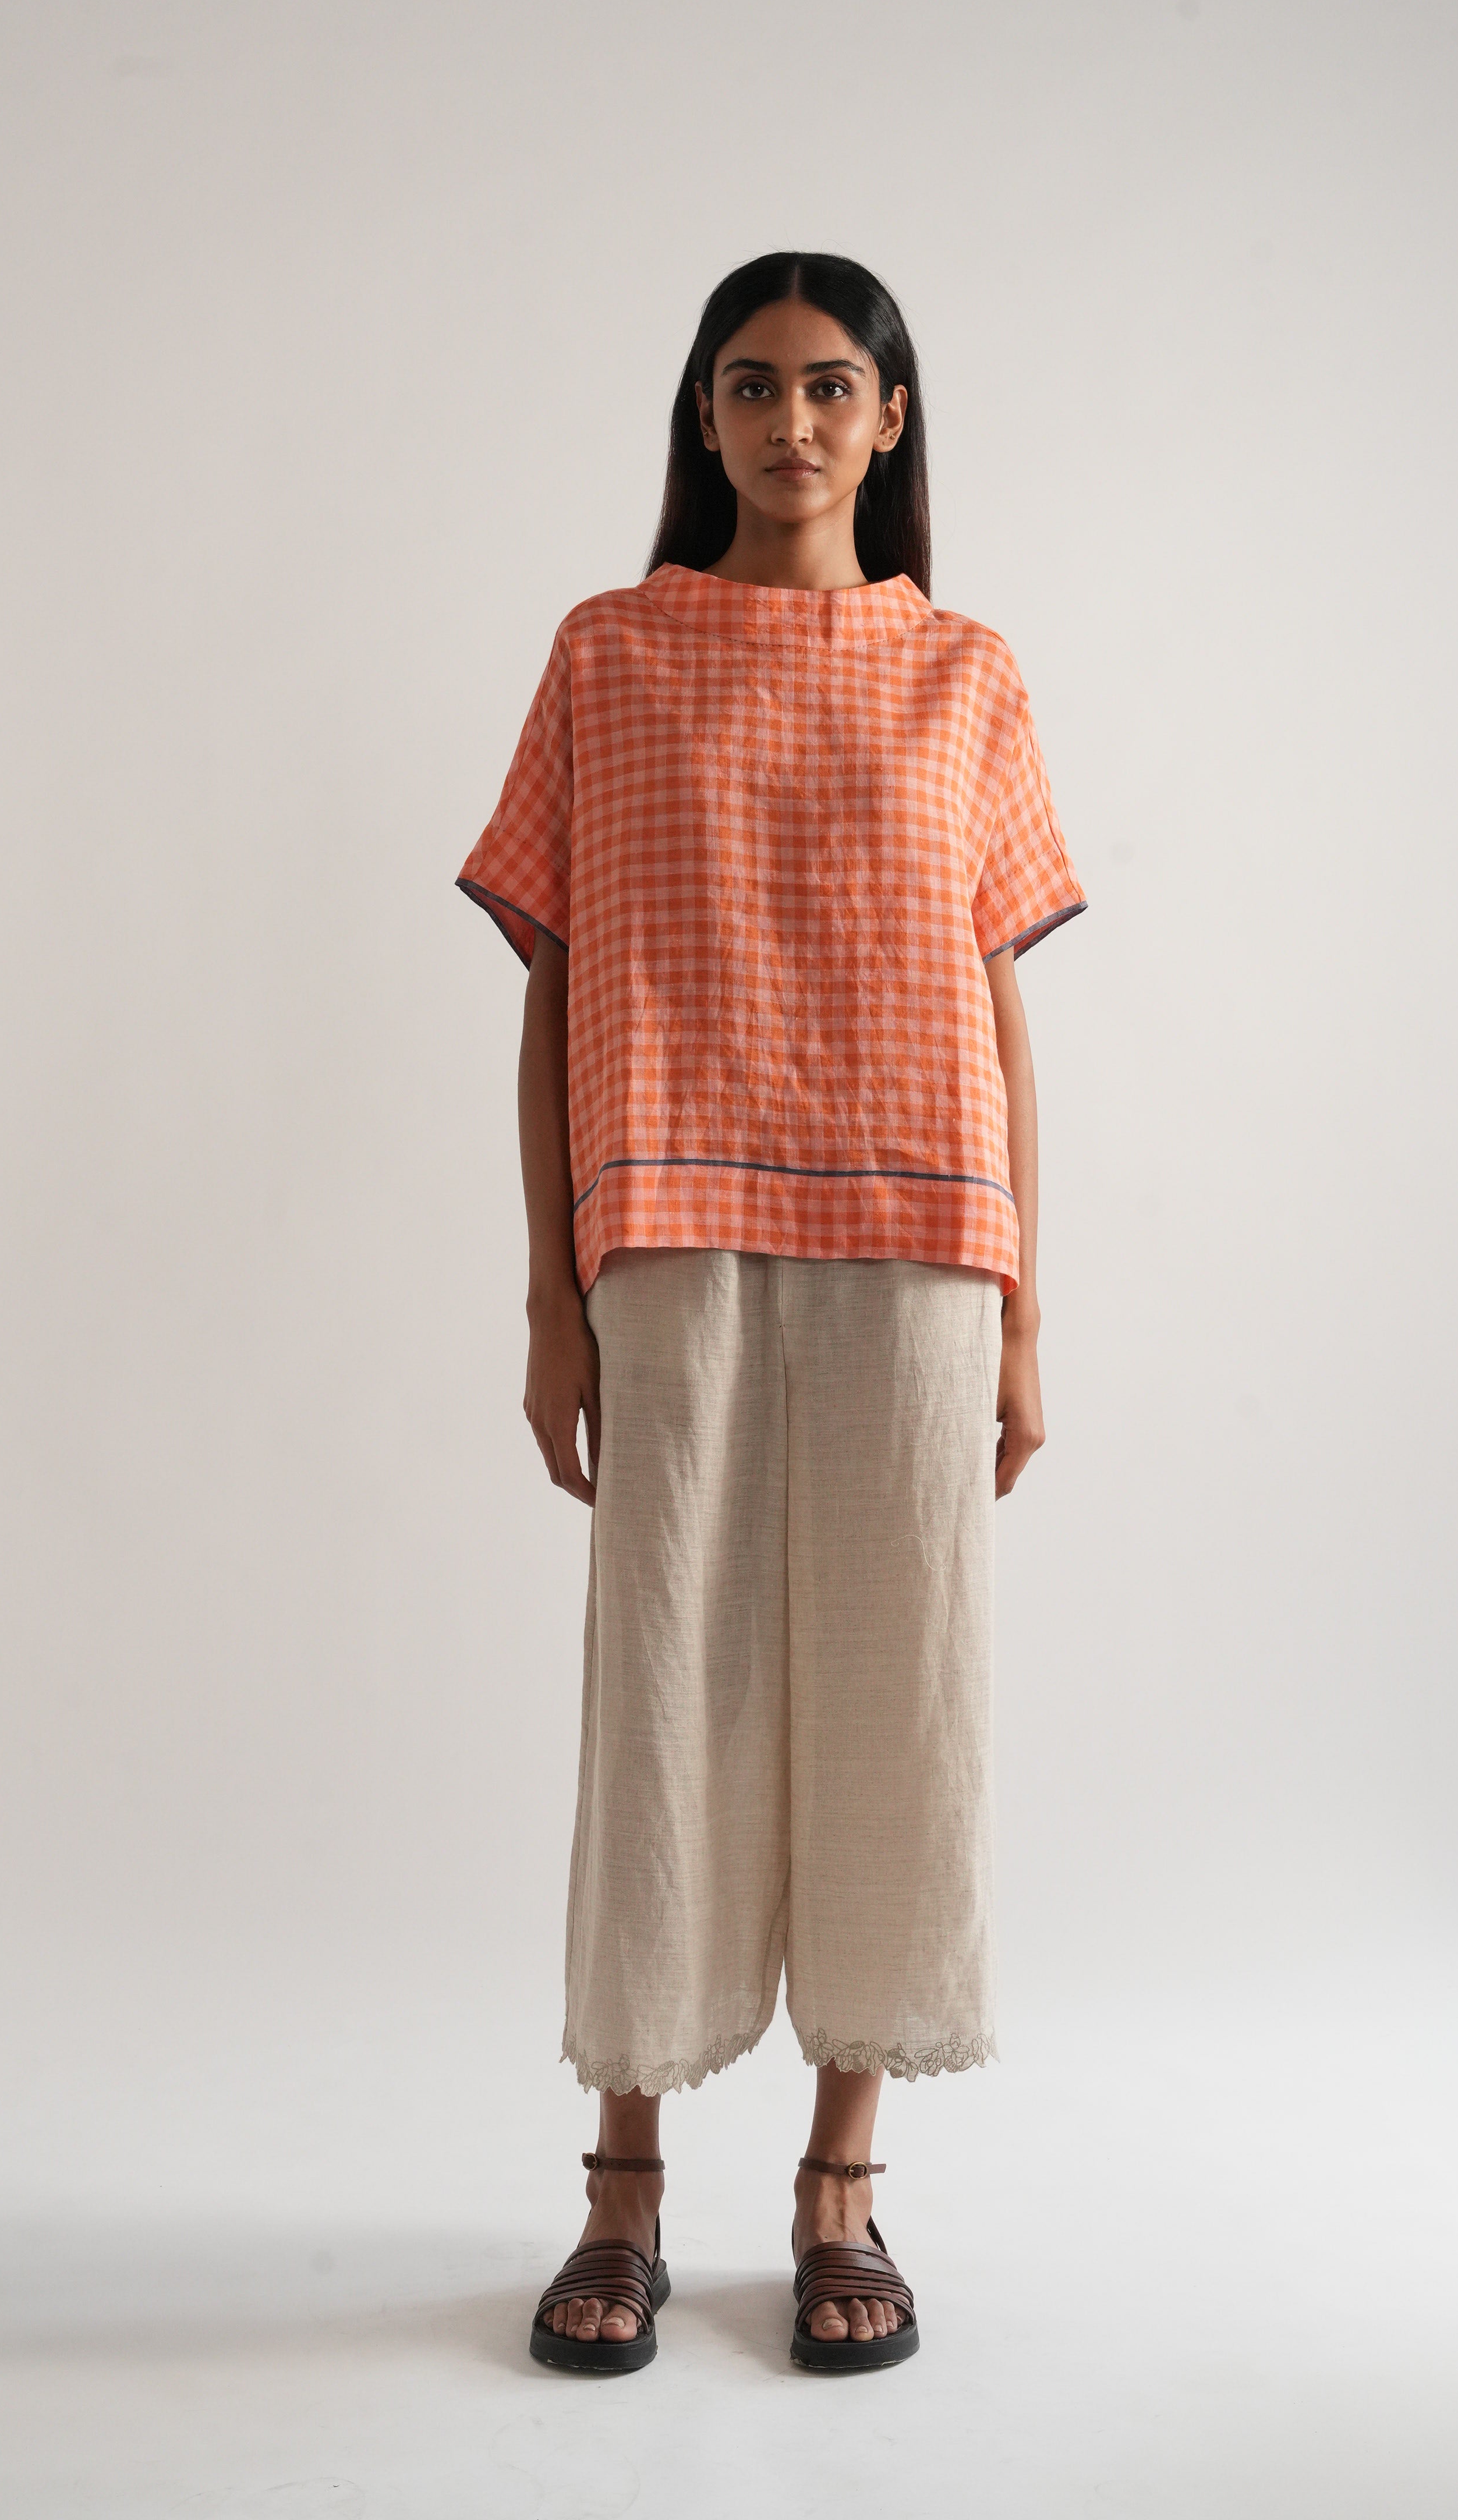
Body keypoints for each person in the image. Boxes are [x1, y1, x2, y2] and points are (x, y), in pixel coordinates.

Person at [456, 251, 1085, 2376]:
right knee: (664, 1691)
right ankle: (622, 2189)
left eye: (831, 386)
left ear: (890, 420)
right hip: (671, 1220)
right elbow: (552, 989)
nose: (791, 421)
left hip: (923, 1237)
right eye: (750, 385)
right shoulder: (611, 652)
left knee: (897, 1694)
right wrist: (551, 1301)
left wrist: (1024, 1313)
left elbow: (999, 1007)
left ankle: (841, 2191)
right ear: (703, 418)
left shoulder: (968, 673)